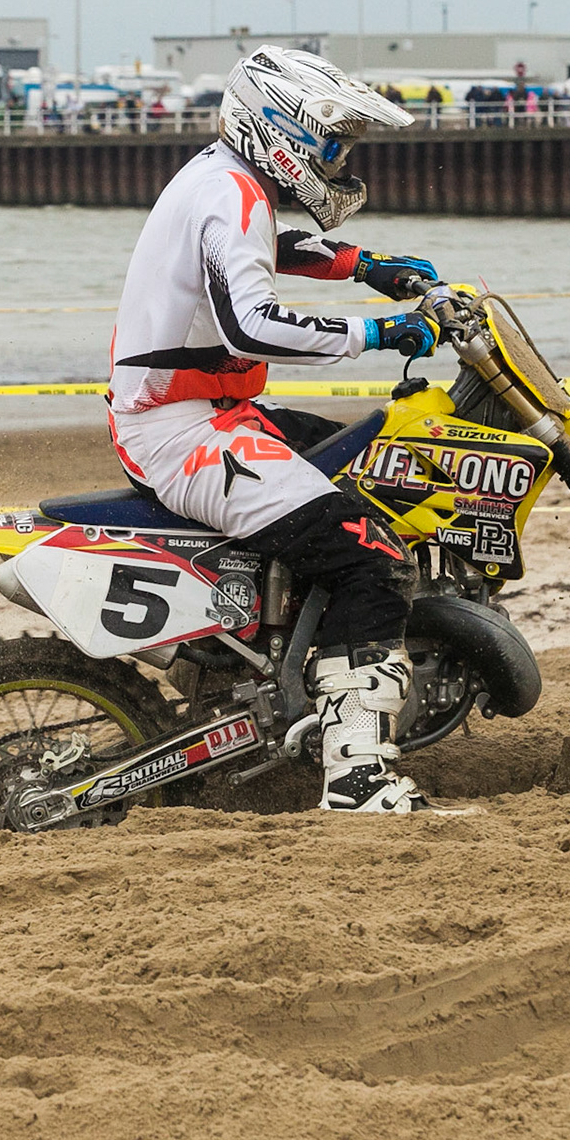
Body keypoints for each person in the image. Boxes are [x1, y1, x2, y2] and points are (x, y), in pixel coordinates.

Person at [106, 44, 450, 815]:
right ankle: (356, 778)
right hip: (180, 429)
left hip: (206, 411)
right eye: (333, 143)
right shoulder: (228, 190)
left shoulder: (225, 180)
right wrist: (381, 333)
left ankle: (288, 662)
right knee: (374, 559)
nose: (338, 160)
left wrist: (367, 264)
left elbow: (265, 247)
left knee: (373, 473)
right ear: (281, 129)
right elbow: (251, 325)